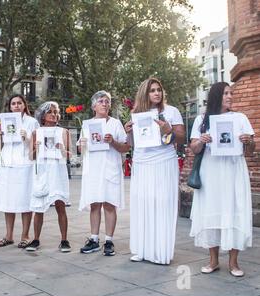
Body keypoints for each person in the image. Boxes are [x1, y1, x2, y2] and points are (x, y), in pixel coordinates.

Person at [189, 82, 255, 277]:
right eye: (226, 93)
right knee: (212, 211)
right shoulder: (202, 119)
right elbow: (194, 148)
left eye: (231, 93)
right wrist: (201, 140)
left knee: (235, 210)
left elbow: (251, 150)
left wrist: (248, 141)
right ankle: (213, 261)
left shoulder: (240, 118)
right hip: (211, 172)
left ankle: (234, 263)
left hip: (233, 171)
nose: (230, 96)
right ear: (217, 96)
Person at [124, 77, 185, 264]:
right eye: (152, 90)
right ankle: (141, 250)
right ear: (145, 93)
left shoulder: (172, 111)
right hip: (142, 163)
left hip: (164, 161)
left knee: (162, 204)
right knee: (142, 205)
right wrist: (128, 132)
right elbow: (133, 145)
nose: (157, 93)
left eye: (159, 89)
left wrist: (168, 130)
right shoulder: (138, 113)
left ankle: (161, 252)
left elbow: (181, 138)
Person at [78, 91, 130, 256]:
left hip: (110, 168)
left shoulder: (115, 124)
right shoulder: (87, 124)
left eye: (107, 101)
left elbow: (126, 147)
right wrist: (83, 144)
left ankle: (109, 240)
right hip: (93, 169)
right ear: (94, 106)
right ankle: (94, 239)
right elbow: (80, 148)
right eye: (101, 101)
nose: (105, 104)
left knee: (109, 204)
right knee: (95, 204)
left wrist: (112, 142)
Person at [25, 101, 71, 252]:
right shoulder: (36, 133)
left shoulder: (64, 132)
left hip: (58, 171)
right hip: (42, 171)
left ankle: (64, 240)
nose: (54, 114)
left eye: (56, 112)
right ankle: (36, 239)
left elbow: (70, 156)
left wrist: (63, 149)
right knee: (39, 207)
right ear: (43, 115)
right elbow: (31, 157)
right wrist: (36, 149)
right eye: (51, 112)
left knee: (60, 205)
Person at [0, 94, 39, 248]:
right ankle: (8, 235)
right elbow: (0, 147)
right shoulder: (6, 121)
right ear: (10, 107)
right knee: (8, 201)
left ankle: (25, 235)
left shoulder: (32, 122)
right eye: (13, 103)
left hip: (25, 164)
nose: (16, 106)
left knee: (25, 200)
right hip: (7, 163)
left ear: (24, 105)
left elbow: (37, 145)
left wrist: (27, 138)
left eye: (19, 103)